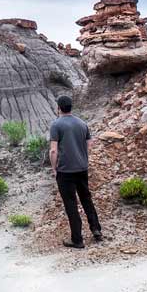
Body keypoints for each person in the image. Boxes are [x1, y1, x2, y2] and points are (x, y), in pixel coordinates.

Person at [49, 94, 102, 248]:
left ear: (58, 108)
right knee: (86, 198)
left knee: (71, 204)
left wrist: (54, 168)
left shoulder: (56, 125)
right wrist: (82, 158)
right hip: (82, 168)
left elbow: (53, 151)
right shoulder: (82, 123)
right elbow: (89, 145)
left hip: (65, 171)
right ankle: (96, 229)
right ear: (71, 107)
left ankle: (77, 240)